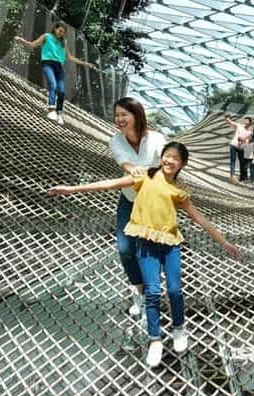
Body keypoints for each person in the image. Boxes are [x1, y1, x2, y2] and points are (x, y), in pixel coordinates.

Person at [48, 142, 242, 367]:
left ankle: (179, 329)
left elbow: (199, 218)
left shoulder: (179, 190)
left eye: (175, 159)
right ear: (162, 158)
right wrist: (71, 189)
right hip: (145, 244)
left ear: (182, 164)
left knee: (174, 289)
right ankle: (155, 340)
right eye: (167, 156)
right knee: (151, 291)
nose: (169, 161)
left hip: (170, 245)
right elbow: (110, 184)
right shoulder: (144, 176)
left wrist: (224, 242)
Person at [108, 97, 168, 318]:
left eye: (125, 114)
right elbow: (123, 162)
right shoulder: (116, 140)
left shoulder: (156, 139)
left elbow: (166, 161)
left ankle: (152, 290)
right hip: (129, 199)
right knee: (125, 248)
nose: (120, 119)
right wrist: (133, 170)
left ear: (137, 114)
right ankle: (138, 291)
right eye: (117, 115)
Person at [14, 22, 95, 125]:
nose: (61, 33)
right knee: (53, 85)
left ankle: (59, 113)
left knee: (61, 91)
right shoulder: (46, 36)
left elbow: (69, 57)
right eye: (60, 31)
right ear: (55, 29)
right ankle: (51, 109)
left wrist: (85, 63)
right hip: (47, 63)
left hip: (59, 66)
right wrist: (23, 41)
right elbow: (32, 44)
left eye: (63, 32)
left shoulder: (63, 42)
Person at [223, 115, 253, 182]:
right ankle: (232, 175)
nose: (245, 122)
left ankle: (242, 177)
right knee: (233, 160)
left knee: (242, 162)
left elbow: (248, 140)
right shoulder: (239, 125)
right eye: (245, 120)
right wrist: (227, 119)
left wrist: (243, 141)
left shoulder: (249, 132)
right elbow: (230, 122)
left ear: (250, 123)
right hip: (233, 145)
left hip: (241, 148)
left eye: (247, 121)